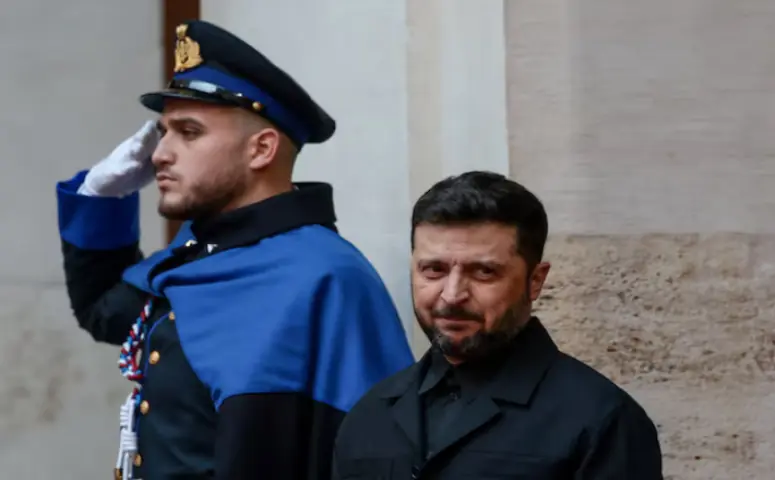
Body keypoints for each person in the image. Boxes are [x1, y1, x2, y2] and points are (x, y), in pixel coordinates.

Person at [55, 20, 413, 480]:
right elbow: (105, 311)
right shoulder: (197, 256)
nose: (160, 153)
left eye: (188, 132)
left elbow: (374, 458)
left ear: (262, 149)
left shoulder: (326, 277)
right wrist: (100, 199)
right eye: (163, 132)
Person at [332, 171, 663, 479]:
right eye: (433, 270)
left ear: (535, 281)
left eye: (484, 272)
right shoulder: (368, 416)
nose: (452, 295)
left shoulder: (602, 421)